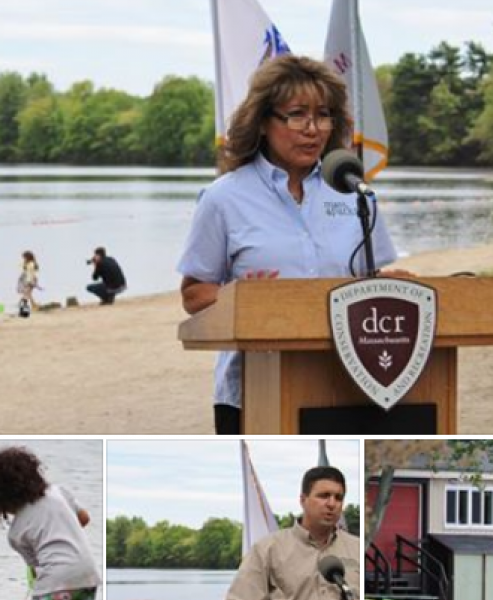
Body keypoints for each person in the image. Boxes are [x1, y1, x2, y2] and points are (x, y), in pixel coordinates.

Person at [177, 55, 397, 434]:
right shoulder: (223, 199)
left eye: (323, 115)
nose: (313, 129)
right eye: (297, 115)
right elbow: (193, 294)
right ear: (263, 122)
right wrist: (242, 296)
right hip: (251, 393)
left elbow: (372, 282)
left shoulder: (355, 193)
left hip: (351, 386)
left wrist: (395, 286)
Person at [0, 446, 100, 600]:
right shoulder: (57, 492)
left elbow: (36, 568)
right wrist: (63, 531)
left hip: (54, 584)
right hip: (88, 575)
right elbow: (84, 518)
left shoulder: (16, 533)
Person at [226, 466, 360, 600]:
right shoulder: (268, 550)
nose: (332, 504)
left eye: (338, 498)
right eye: (324, 496)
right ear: (303, 500)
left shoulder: (357, 549)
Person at [17, 251, 40, 315]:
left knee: (27, 294)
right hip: (27, 279)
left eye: (24, 257)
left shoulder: (31, 264)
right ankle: (34, 305)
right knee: (28, 294)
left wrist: (29, 282)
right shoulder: (28, 263)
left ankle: (25, 306)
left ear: (27, 257)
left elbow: (31, 273)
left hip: (29, 280)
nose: (23, 259)